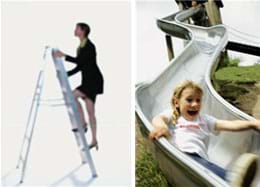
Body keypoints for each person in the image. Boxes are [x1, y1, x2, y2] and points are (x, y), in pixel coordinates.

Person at [149, 80, 260, 186]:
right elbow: (158, 118)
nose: (195, 104)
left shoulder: (204, 120)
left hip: (200, 159)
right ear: (176, 102)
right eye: (189, 100)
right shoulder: (174, 115)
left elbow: (229, 124)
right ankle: (232, 179)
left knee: (210, 169)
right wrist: (161, 127)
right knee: (215, 172)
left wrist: (252, 124)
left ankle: (234, 180)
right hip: (180, 154)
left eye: (198, 100)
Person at [53, 23, 103, 150]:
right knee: (89, 110)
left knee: (73, 96)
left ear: (83, 31)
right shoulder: (80, 47)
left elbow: (80, 62)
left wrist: (63, 55)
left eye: (77, 28)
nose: (74, 30)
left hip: (93, 80)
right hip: (88, 80)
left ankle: (83, 124)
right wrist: (67, 74)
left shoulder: (89, 46)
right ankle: (93, 138)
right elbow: (80, 66)